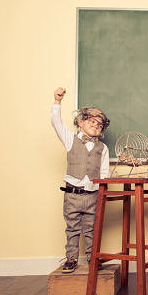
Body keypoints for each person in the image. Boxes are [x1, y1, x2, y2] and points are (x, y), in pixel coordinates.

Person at [51, 87, 110, 273]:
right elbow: (56, 122)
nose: (96, 126)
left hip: (93, 194)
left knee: (92, 229)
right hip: (72, 194)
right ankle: (71, 259)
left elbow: (105, 172)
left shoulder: (103, 148)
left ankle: (94, 258)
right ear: (80, 122)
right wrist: (57, 101)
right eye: (92, 121)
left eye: (100, 125)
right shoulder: (70, 139)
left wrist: (103, 193)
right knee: (72, 229)